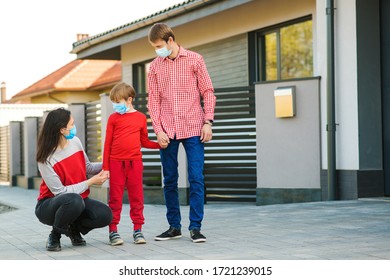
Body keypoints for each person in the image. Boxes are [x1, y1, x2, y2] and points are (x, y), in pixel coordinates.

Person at [147, 22, 216, 243]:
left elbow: (208, 91)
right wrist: (158, 130)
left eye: (159, 45)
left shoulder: (195, 59)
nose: (157, 50)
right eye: (154, 47)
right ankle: (174, 227)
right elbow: (153, 102)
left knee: (196, 178)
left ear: (170, 40)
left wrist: (208, 121)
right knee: (169, 180)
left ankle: (195, 227)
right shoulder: (155, 67)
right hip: (167, 129)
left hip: (195, 127)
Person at [35, 108, 112, 252]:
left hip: (78, 201)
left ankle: (72, 228)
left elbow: (88, 167)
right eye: (71, 124)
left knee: (105, 215)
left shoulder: (75, 142)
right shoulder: (45, 158)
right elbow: (60, 192)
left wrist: (110, 163)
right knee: (73, 200)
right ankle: (55, 235)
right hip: (50, 205)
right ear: (62, 130)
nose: (74, 127)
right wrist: (91, 182)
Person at [102, 82, 166, 246]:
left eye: (119, 101)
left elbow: (143, 140)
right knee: (115, 199)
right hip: (116, 163)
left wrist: (159, 144)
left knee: (137, 197)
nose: (116, 105)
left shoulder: (140, 118)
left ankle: (138, 229)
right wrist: (105, 168)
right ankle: (113, 231)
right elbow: (107, 144)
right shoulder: (113, 118)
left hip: (135, 163)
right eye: (114, 102)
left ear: (129, 99)